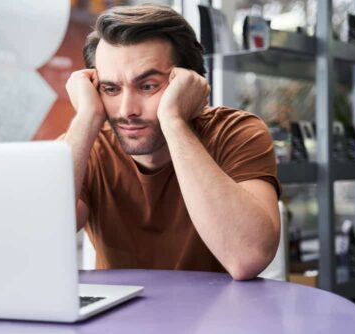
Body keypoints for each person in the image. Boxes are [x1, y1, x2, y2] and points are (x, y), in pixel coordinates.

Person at [63, 4, 281, 280]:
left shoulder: (235, 133)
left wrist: (174, 120)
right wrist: (86, 117)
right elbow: (37, 236)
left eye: (147, 86)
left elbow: (247, 257)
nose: (126, 109)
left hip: (222, 318)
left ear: (188, 83)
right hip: (119, 321)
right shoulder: (88, 145)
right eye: (110, 89)